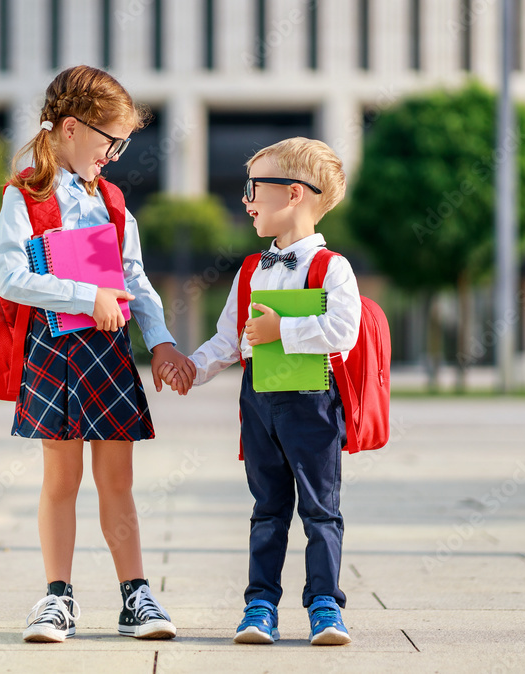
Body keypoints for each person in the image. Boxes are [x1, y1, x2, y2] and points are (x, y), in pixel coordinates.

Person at [0, 65, 196, 644]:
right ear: (73, 129)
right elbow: (10, 277)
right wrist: (86, 294)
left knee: (117, 481)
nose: (116, 154)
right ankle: (57, 599)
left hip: (106, 351)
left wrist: (163, 342)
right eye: (112, 140)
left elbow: (135, 278)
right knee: (61, 479)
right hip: (55, 349)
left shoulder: (112, 200)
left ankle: (136, 596)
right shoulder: (22, 197)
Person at [161, 137, 360, 646]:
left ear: (294, 194)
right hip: (260, 404)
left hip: (312, 403)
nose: (246, 201)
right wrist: (192, 368)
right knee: (267, 509)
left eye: (255, 189)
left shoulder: (331, 267)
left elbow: (344, 330)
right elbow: (228, 340)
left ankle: (324, 606)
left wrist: (283, 333)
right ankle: (260, 605)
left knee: (320, 508)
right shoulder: (251, 269)